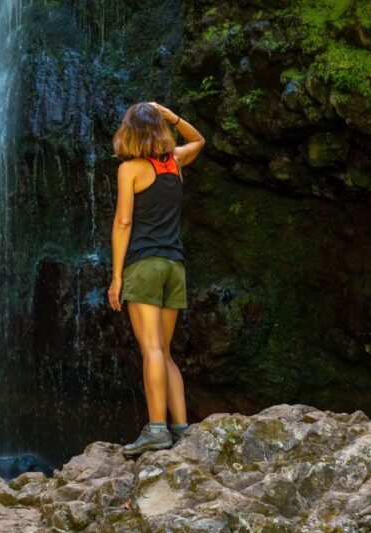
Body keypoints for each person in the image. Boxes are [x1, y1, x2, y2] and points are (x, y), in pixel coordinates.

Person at [107, 101, 205, 455]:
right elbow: (199, 141)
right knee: (164, 352)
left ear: (129, 133)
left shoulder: (130, 169)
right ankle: (181, 429)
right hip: (174, 266)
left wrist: (117, 277)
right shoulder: (175, 163)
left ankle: (156, 430)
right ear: (160, 130)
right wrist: (171, 116)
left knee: (150, 350)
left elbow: (123, 222)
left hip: (144, 265)